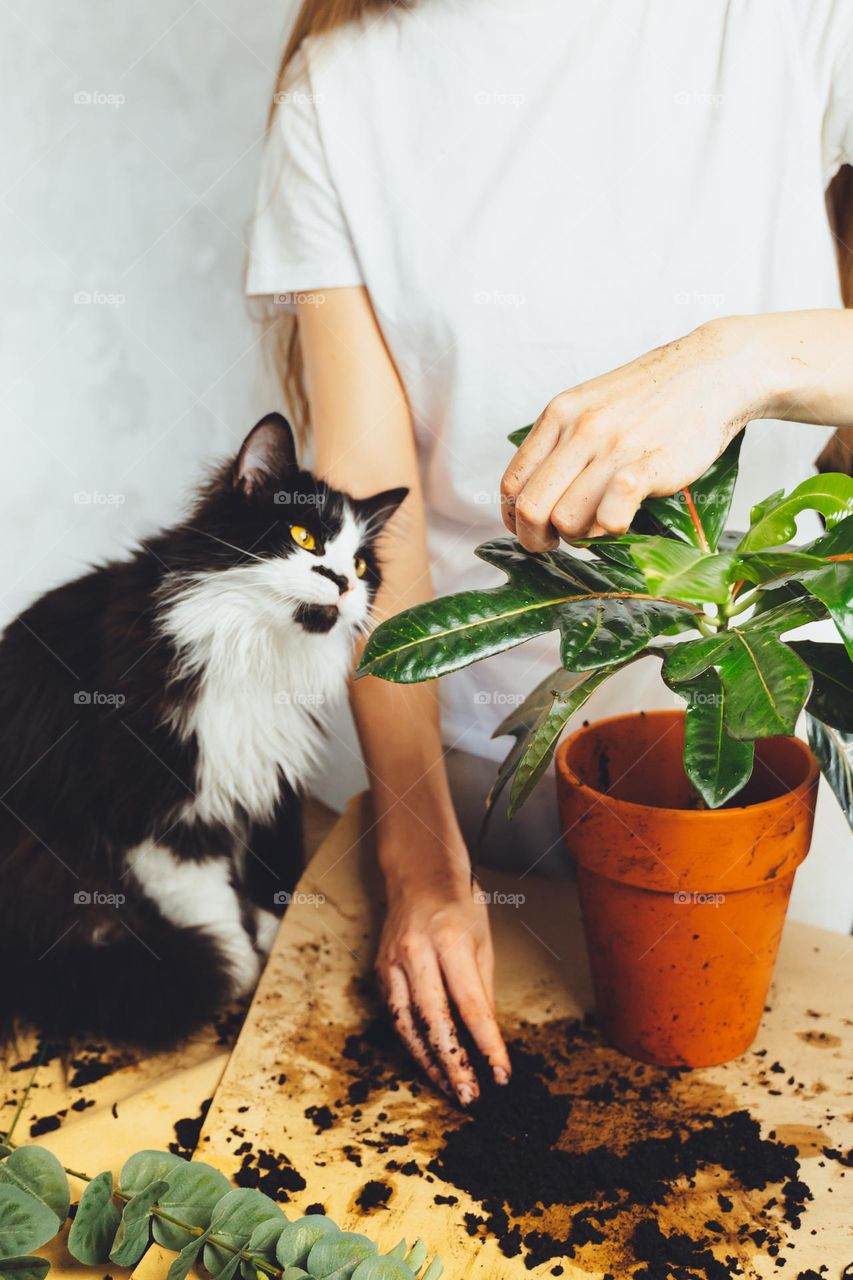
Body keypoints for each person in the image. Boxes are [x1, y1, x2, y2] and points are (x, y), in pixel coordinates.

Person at [247, 0, 853, 1105]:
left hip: (767, 753)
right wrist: (421, 866)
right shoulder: (336, 89)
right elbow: (366, 517)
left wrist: (739, 361)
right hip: (481, 770)